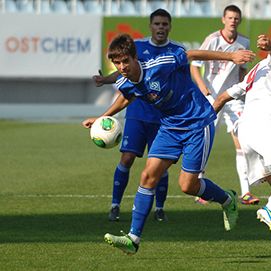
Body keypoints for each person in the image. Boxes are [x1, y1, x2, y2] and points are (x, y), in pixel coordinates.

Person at [82, 34, 255, 254]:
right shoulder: (125, 82)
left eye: (126, 61)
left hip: (197, 122)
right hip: (169, 128)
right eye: (117, 63)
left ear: (135, 58)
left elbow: (190, 54)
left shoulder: (159, 64)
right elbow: (126, 97)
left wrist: (231, 56)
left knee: (187, 186)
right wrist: (101, 117)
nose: (122, 67)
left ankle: (226, 199)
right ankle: (133, 239)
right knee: (147, 176)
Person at [94, 9, 186, 222]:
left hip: (163, 117)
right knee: (126, 158)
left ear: (169, 27)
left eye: (164, 24)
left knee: (159, 165)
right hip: (137, 112)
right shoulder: (139, 46)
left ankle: (160, 208)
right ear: (150, 26)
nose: (160, 28)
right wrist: (106, 80)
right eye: (157, 24)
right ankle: (115, 204)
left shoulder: (177, 50)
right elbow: (125, 68)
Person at [190, 5, 259, 205]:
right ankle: (199, 186)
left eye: (236, 18)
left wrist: (243, 93)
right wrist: (205, 90)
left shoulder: (244, 41)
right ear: (223, 19)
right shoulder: (213, 40)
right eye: (230, 18)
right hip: (212, 98)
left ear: (240, 20)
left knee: (242, 143)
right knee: (205, 141)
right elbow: (195, 66)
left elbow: (241, 72)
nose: (233, 21)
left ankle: (246, 192)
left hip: (233, 99)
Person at [212, 34, 271, 230]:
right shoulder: (268, 65)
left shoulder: (255, 70)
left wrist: (201, 123)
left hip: (246, 132)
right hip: (264, 128)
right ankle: (269, 210)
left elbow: (222, 98)